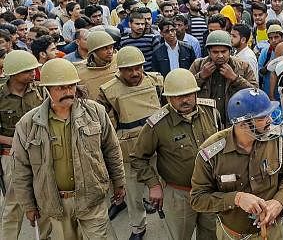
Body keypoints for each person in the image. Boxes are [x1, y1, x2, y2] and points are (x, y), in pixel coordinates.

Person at [12, 58, 126, 239]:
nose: (67, 92)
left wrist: (119, 182)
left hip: (91, 199)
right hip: (56, 204)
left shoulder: (95, 112)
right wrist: (29, 205)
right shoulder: (28, 124)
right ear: (46, 90)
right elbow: (21, 168)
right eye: (60, 88)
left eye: (71, 86)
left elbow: (111, 149)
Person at [190, 88, 283, 240]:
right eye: (261, 118)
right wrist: (236, 198)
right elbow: (197, 199)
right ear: (242, 124)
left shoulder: (275, 140)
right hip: (233, 235)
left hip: (272, 231)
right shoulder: (211, 154)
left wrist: (279, 201)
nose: (270, 121)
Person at [131, 68, 221, 240]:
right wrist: (153, 184)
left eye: (189, 95)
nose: (185, 100)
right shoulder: (157, 124)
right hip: (179, 195)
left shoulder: (211, 113)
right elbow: (137, 158)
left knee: (211, 235)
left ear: (196, 93)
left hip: (211, 191)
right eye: (179, 96)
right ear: (168, 98)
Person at [97, 46, 164, 239]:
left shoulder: (157, 82)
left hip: (159, 147)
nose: (134, 73)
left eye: (138, 68)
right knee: (134, 193)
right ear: (119, 70)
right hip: (129, 150)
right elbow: (103, 124)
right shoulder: (108, 91)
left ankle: (167, 220)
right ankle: (138, 228)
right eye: (128, 69)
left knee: (166, 188)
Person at [0, 51, 49, 239]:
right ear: (13, 74)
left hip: (40, 152)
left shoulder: (40, 90)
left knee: (45, 200)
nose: (33, 73)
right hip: (11, 155)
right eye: (28, 71)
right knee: (14, 205)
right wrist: (17, 142)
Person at [189, 30, 258, 124]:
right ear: (209, 52)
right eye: (215, 52)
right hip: (205, 122)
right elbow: (186, 92)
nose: (220, 55)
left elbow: (255, 94)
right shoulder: (198, 65)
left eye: (224, 51)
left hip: (235, 122)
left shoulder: (243, 66)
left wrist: (235, 78)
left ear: (230, 51)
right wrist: (201, 76)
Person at [75, 30, 118, 102]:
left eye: (111, 47)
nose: (110, 51)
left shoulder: (119, 60)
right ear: (94, 51)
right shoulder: (79, 72)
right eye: (105, 48)